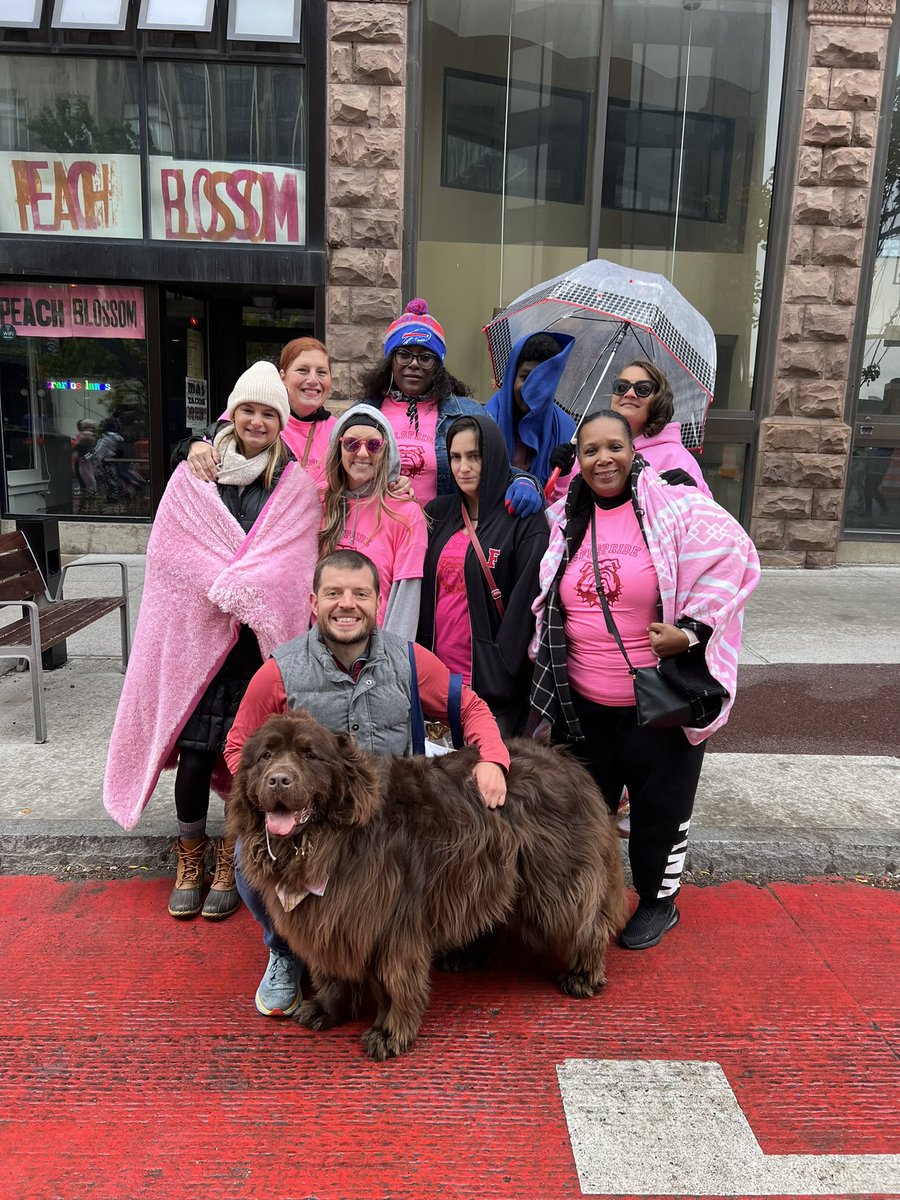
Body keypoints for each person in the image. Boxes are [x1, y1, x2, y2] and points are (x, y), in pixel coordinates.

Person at [224, 548, 510, 1018]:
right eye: (333, 593)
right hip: (310, 819)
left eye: (360, 594)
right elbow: (239, 746)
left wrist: (493, 760)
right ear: (313, 601)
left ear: (379, 602)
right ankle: (286, 952)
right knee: (246, 861)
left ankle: (398, 956)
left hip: (394, 815)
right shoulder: (278, 670)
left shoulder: (410, 659)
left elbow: (470, 708)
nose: (346, 604)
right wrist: (269, 796)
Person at [530, 410, 759, 950]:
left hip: (657, 704)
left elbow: (737, 557)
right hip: (581, 701)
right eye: (590, 450)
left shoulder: (673, 506)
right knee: (582, 817)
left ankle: (658, 902)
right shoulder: (566, 517)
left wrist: (692, 630)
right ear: (578, 459)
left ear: (634, 451)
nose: (603, 459)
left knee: (660, 812)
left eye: (614, 447)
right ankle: (590, 901)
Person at [103, 361, 320, 920]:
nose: (257, 421)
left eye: (269, 413)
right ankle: (190, 857)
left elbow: (293, 568)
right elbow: (169, 554)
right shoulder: (194, 475)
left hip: (254, 648)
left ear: (280, 421)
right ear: (232, 412)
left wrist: (245, 587)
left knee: (247, 758)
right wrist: (228, 583)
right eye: (248, 409)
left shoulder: (293, 486)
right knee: (198, 758)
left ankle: (231, 856)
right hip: (197, 645)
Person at [418, 414, 549, 736]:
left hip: (491, 689)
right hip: (434, 682)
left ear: (494, 456)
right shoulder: (438, 512)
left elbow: (525, 606)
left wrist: (502, 671)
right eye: (456, 457)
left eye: (475, 456)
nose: (464, 467)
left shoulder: (523, 521)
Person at [358, 298, 543, 516]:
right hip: (381, 531)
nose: (414, 364)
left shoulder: (468, 413)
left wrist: (524, 481)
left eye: (426, 357)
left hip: (444, 534)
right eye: (404, 354)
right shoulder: (366, 413)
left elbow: (498, 467)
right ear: (390, 361)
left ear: (438, 366)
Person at [319, 405, 428, 640]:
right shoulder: (320, 503)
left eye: (374, 445)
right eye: (351, 444)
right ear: (338, 446)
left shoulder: (405, 512)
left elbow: (406, 598)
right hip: (322, 648)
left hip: (374, 650)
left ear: (386, 450)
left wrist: (389, 660)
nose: (362, 454)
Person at [182, 337, 336, 487]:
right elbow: (210, 444)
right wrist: (192, 445)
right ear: (282, 376)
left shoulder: (338, 431)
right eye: (303, 370)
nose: (313, 380)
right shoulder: (248, 414)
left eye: (321, 372)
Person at [550, 359, 713, 497]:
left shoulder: (675, 456)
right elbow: (562, 513)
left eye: (642, 389)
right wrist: (562, 476)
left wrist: (693, 488)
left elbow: (705, 515)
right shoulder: (590, 448)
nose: (629, 394)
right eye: (621, 387)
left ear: (659, 399)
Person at [486, 331, 577, 502]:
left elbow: (569, 501)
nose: (532, 390)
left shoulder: (566, 430)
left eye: (543, 381)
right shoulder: (485, 422)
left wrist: (563, 475)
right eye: (526, 378)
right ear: (512, 375)